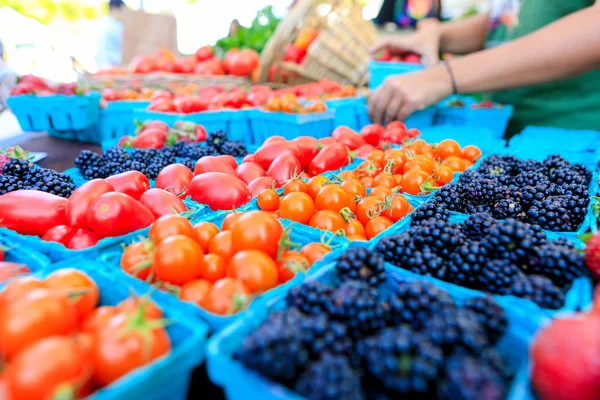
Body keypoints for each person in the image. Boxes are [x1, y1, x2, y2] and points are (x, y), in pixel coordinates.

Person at [368, 0, 600, 135]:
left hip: (572, 139)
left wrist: (446, 75)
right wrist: (439, 35)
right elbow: (507, 19)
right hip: (503, 131)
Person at [95, 0, 125, 70]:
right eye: (122, 11)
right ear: (114, 8)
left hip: (101, 65)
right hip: (111, 67)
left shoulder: (101, 23)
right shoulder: (115, 26)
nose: (123, 15)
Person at [375, 0, 442, 29]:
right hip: (400, 44)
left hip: (425, 46)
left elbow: (438, 21)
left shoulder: (435, 2)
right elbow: (380, 20)